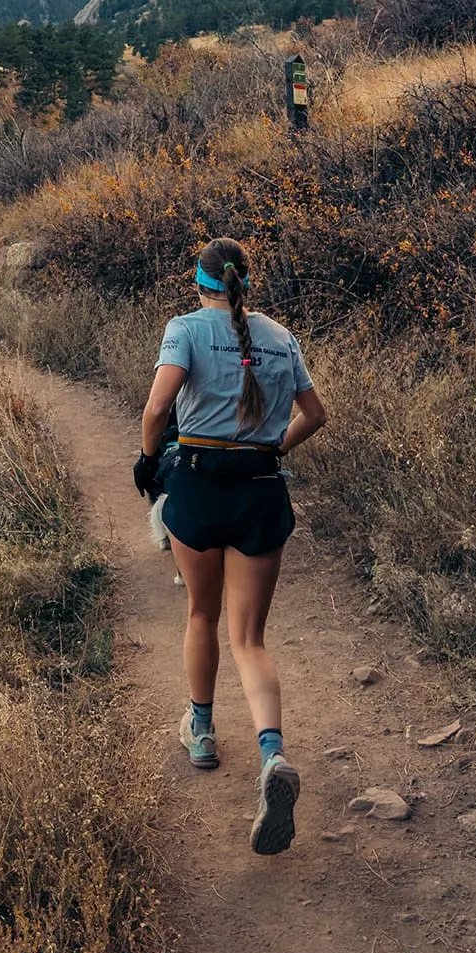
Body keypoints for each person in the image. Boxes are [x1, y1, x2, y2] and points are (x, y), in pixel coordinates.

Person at [135, 236, 326, 855]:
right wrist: (274, 449)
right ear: (247, 282)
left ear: (201, 283)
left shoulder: (185, 329)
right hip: (261, 490)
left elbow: (160, 405)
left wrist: (145, 459)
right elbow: (315, 414)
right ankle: (272, 757)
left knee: (201, 614)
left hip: (199, 484)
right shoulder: (281, 336)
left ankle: (203, 732)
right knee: (250, 639)